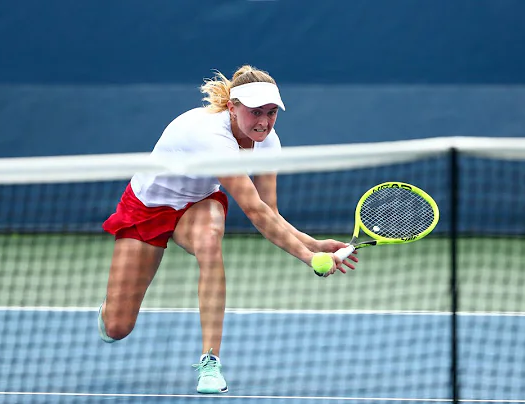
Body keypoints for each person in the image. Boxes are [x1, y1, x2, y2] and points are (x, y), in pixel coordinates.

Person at [97, 65, 358, 394]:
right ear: (233, 108)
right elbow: (253, 211)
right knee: (117, 327)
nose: (263, 122)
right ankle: (110, 309)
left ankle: (210, 362)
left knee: (210, 241)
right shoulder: (212, 137)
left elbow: (269, 210)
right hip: (147, 208)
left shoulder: (268, 143)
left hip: (199, 204)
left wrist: (313, 244)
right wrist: (307, 257)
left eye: (271, 112)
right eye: (254, 112)